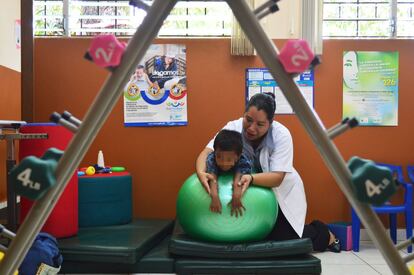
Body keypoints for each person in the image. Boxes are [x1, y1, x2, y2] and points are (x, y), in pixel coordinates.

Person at [195, 92, 340, 253]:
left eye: (260, 124)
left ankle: (324, 234)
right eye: (248, 120)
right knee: (257, 231)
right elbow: (207, 152)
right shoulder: (233, 127)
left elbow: (277, 178)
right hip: (249, 191)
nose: (251, 128)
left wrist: (250, 178)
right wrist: (201, 172)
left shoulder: (281, 135)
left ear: (270, 122)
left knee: (285, 238)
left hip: (278, 189)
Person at [205, 129, 252, 217]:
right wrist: (214, 197)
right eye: (219, 157)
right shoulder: (212, 159)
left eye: (229, 159)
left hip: (246, 160)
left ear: (237, 157)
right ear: (215, 152)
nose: (223, 163)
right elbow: (212, 179)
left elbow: (238, 182)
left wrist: (236, 196)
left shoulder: (242, 160)